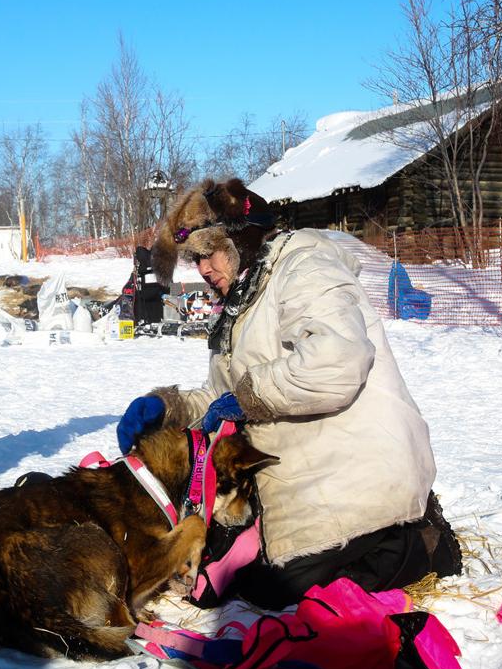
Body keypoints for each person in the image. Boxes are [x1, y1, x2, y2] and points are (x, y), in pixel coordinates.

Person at [116, 178, 461, 609]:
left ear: (240, 239)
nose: (203, 269)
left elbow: (337, 362)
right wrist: (169, 409)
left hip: (356, 470)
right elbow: (223, 395)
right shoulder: (245, 296)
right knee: (234, 586)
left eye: (209, 253)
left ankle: (419, 540)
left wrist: (248, 397)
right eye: (195, 259)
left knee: (278, 594)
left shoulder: (305, 266)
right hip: (303, 472)